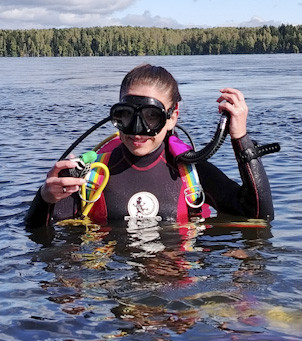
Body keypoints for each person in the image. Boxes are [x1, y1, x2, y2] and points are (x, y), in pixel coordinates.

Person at [25, 64, 273, 226]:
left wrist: (240, 137)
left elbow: (259, 214)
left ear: (173, 116)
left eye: (151, 116)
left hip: (175, 293)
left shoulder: (191, 172)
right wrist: (45, 197)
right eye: (125, 115)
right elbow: (40, 235)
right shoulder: (94, 175)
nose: (137, 130)